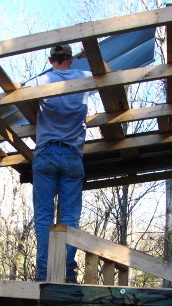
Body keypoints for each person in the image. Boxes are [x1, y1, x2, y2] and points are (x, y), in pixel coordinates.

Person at [26, 44, 110, 283]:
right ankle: (66, 273)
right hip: (73, 155)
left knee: (44, 216)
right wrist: (90, 55)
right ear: (71, 59)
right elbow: (109, 74)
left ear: (51, 59)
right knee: (70, 218)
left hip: (45, 154)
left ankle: (44, 274)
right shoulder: (82, 77)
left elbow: (17, 91)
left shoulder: (42, 80)